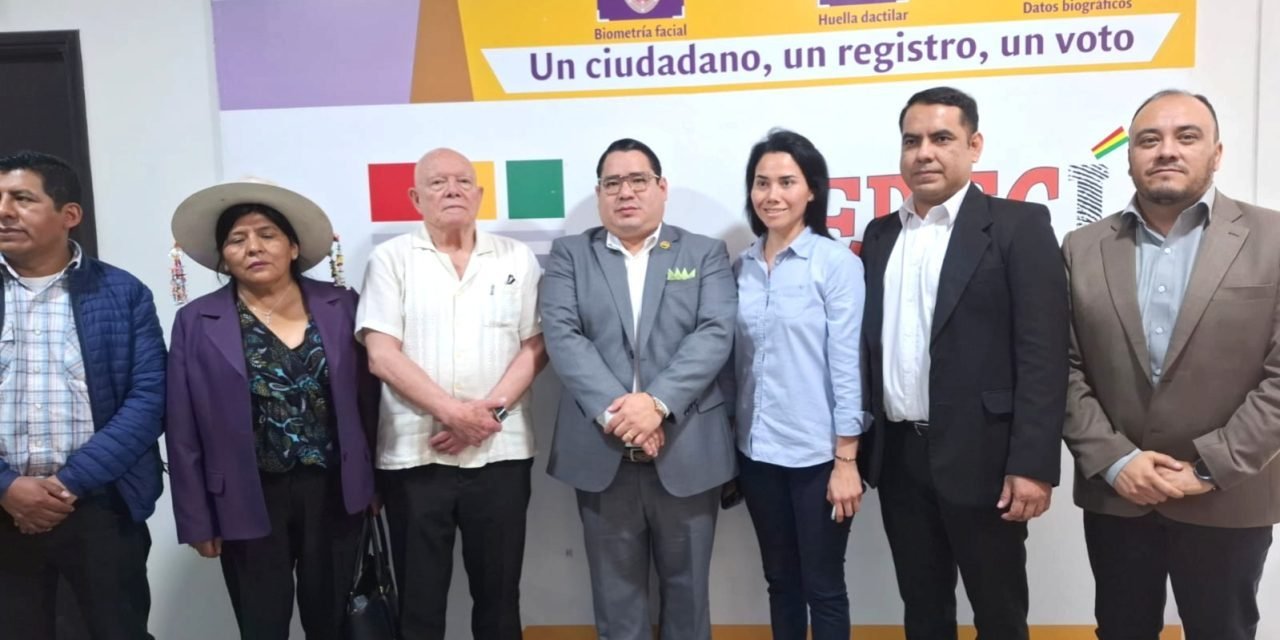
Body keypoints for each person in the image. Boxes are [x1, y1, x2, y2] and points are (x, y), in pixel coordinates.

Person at [1063, 89, 1280, 640]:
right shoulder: (1081, 247)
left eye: (1186, 137)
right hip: (1120, 497)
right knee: (1119, 628)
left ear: (1216, 152)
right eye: (1149, 139)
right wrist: (1115, 461)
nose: (1166, 151)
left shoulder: (1273, 238)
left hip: (1229, 497)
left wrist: (1208, 469)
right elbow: (1062, 369)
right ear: (1130, 154)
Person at [858, 87, 1069, 639]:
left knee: (999, 614)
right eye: (912, 140)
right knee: (923, 611)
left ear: (974, 146)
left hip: (988, 460)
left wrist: (1034, 463)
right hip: (901, 458)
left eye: (941, 138)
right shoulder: (881, 236)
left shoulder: (1018, 226)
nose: (924, 152)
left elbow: (1044, 355)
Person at [540, 138, 737, 640]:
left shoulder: (703, 252)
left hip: (686, 447)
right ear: (600, 193)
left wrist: (655, 404)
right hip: (602, 452)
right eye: (613, 183)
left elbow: (715, 332)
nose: (625, 192)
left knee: (688, 597)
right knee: (616, 600)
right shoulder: (570, 255)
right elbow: (563, 336)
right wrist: (621, 418)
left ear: (661, 187)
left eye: (637, 180)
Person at [165, 179, 378, 639]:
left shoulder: (341, 305)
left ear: (293, 245)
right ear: (223, 257)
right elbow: (182, 427)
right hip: (245, 493)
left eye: (267, 234)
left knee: (333, 619)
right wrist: (196, 517)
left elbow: (369, 402)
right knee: (262, 623)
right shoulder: (196, 322)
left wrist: (376, 485)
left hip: (334, 491)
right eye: (237, 240)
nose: (253, 247)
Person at [356, 148, 545, 640]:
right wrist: (452, 413)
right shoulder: (391, 259)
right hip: (416, 457)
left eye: (464, 181)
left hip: (500, 453)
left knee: (501, 598)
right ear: (416, 198)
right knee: (419, 603)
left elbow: (535, 346)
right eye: (438, 183)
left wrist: (488, 414)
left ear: (480, 195)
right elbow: (381, 354)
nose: (453, 189)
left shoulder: (516, 257)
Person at [0, 150, 166, 639]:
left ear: (69, 215)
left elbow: (148, 397)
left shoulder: (123, 292)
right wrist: (8, 486)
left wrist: (68, 483)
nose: (4, 211)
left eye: (22, 198)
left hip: (99, 506)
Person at [729, 129, 864, 640]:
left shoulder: (836, 265)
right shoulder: (739, 267)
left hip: (818, 458)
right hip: (757, 453)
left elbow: (848, 366)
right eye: (761, 183)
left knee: (824, 586)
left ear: (812, 190)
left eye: (787, 181)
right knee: (780, 581)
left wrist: (846, 460)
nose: (772, 195)